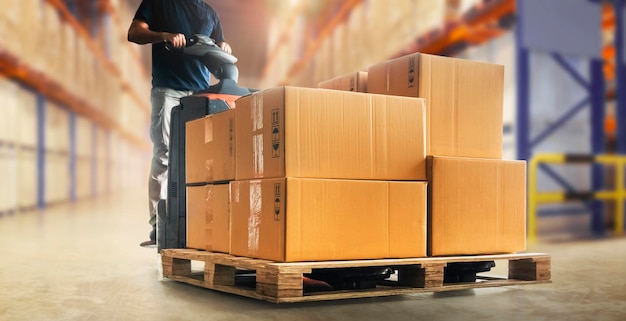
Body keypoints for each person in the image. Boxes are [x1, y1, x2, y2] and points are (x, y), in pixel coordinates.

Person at [128, 0, 231, 247]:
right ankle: (158, 225)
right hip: (168, 89)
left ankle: (197, 223)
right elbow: (134, 32)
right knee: (163, 154)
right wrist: (164, 35)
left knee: (200, 160)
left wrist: (224, 47)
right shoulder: (160, 4)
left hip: (200, 94)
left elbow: (218, 58)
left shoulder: (209, 14)